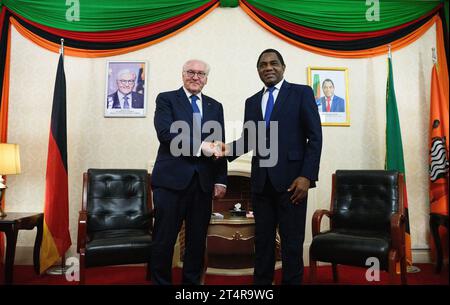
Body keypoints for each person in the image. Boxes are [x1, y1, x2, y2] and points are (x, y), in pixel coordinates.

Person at [217, 49, 322, 285]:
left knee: (291, 243)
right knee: (262, 242)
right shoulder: (252, 101)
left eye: (274, 63)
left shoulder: (301, 93)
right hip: (261, 183)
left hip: (293, 183)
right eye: (263, 65)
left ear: (283, 67)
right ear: (258, 71)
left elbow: (315, 137)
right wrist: (226, 150)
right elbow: (250, 138)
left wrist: (307, 176)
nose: (268, 67)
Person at [151, 59, 227, 285]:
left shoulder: (216, 106)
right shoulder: (166, 99)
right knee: (164, 240)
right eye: (191, 72)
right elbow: (165, 133)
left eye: (201, 74)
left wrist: (221, 180)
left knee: (196, 242)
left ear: (206, 78)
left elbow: (218, 145)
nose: (196, 77)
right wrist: (201, 146)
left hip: (202, 184)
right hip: (170, 182)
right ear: (182, 74)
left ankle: (191, 286)